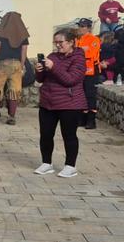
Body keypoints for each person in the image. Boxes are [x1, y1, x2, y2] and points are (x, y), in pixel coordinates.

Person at [33, 28, 87, 178]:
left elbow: (70, 80)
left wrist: (53, 67)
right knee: (45, 135)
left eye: (61, 42)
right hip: (48, 102)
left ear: (71, 42)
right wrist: (40, 70)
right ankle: (46, 163)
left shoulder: (79, 58)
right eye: (55, 42)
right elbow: (41, 79)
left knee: (69, 135)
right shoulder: (52, 56)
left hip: (69, 103)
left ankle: (70, 166)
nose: (58, 45)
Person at [0, 12, 29, 125]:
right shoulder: (23, 33)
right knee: (14, 90)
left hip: (2, 64)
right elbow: (24, 51)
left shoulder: (2, 32)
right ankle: (12, 117)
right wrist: (22, 65)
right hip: (16, 65)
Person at [75, 18, 101, 129]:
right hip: (80, 70)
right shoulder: (78, 40)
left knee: (90, 95)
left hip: (91, 71)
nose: (80, 28)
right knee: (81, 94)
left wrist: (81, 50)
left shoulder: (94, 39)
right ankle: (82, 119)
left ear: (89, 28)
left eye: (83, 26)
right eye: (79, 26)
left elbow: (92, 53)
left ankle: (91, 120)